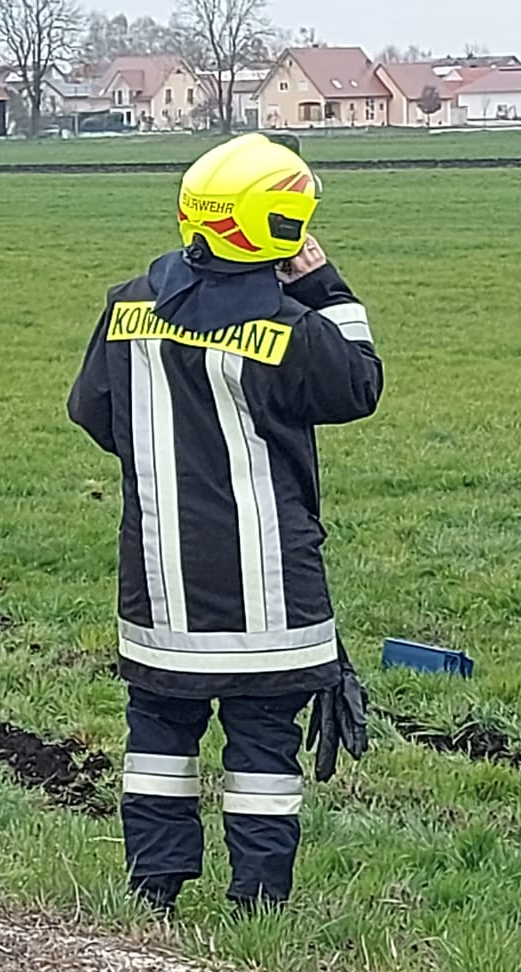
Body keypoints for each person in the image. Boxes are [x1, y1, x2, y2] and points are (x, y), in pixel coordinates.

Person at [67, 133, 382, 916]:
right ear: (275, 230)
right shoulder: (290, 328)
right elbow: (359, 385)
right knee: (264, 753)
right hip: (269, 599)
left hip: (160, 591)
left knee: (157, 743)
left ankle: (154, 891)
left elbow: (92, 411)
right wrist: (329, 286)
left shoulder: (126, 307)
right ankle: (257, 904)